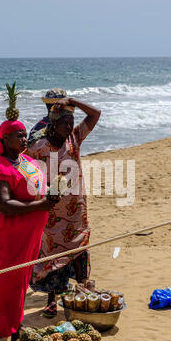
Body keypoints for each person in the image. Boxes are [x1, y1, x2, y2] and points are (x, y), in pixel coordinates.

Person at [0, 118, 58, 341]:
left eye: (25, 134)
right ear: (4, 139)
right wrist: (41, 205)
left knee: (21, 280)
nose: (25, 139)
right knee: (6, 280)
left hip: (30, 233)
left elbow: (34, 186)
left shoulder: (25, 160)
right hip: (10, 234)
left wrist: (51, 192)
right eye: (19, 135)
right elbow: (4, 205)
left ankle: (14, 322)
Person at [26, 96, 101, 317]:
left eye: (71, 122)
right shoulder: (38, 146)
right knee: (51, 252)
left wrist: (72, 101)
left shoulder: (75, 138)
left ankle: (82, 292)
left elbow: (95, 114)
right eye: (64, 123)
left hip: (77, 208)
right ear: (52, 124)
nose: (69, 127)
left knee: (79, 247)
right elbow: (26, 167)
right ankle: (52, 299)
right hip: (52, 211)